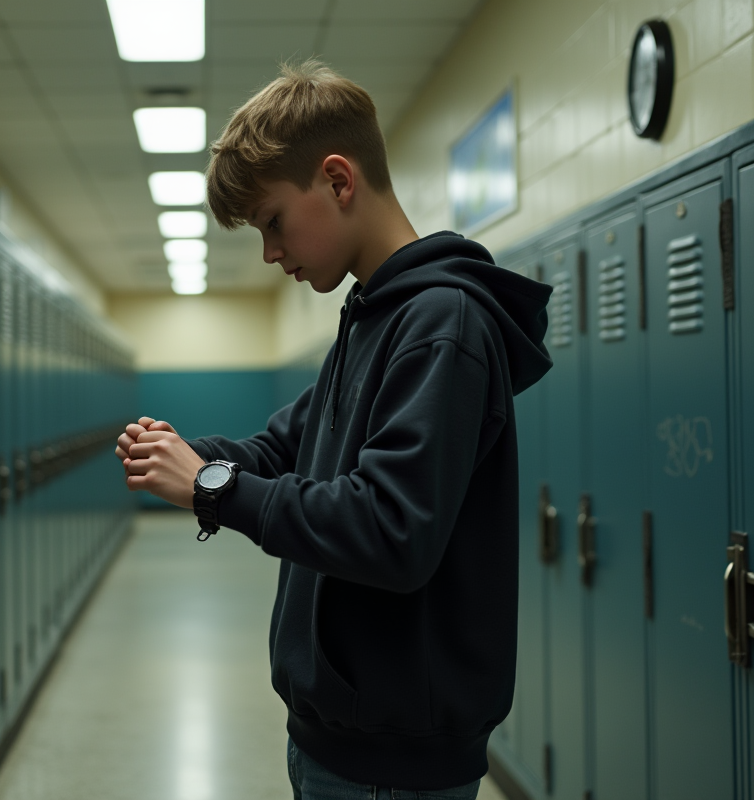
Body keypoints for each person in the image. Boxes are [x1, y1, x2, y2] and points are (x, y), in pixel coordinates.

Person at [114, 61, 552, 800]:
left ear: (338, 180)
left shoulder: (439, 324)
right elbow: (287, 445)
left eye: (273, 222)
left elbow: (391, 528)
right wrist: (190, 458)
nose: (270, 252)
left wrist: (213, 489)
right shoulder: (374, 318)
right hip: (337, 739)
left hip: (390, 764)